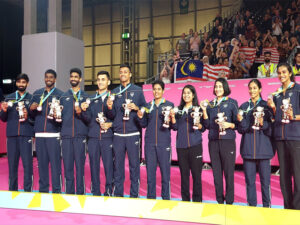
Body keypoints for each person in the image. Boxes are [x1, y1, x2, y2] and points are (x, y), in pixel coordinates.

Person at [106, 64, 146, 198]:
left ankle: (134, 195)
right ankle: (118, 194)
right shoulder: (114, 92)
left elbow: (144, 109)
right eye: (120, 72)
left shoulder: (138, 90)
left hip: (133, 134)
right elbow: (111, 115)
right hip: (117, 134)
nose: (123, 74)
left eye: (125, 72)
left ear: (130, 75)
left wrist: (137, 108)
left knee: (134, 167)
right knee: (118, 167)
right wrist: (110, 107)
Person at [267, 63, 300, 209]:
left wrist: (294, 116)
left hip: (295, 137)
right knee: (284, 176)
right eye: (279, 73)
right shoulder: (277, 93)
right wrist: (273, 109)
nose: (281, 75)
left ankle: (298, 208)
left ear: (290, 72)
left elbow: (294, 115)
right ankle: (288, 207)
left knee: (298, 175)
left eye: (284, 72)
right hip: (280, 137)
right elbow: (276, 117)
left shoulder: (298, 89)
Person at [237, 79, 274, 207]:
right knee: (250, 182)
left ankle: (266, 207)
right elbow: (241, 130)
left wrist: (263, 124)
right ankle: (252, 208)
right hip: (248, 150)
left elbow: (271, 129)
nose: (252, 91)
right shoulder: (243, 107)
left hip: (264, 150)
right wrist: (241, 120)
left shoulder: (266, 106)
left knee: (265, 183)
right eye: (250, 88)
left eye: (254, 88)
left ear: (260, 89)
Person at [137, 80, 175, 200]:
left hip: (164, 144)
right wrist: (140, 117)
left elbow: (173, 126)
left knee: (165, 175)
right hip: (149, 144)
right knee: (150, 175)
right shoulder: (148, 106)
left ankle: (166, 199)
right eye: (154, 89)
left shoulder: (170, 105)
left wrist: (172, 117)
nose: (156, 91)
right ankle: (151, 199)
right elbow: (143, 124)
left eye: (159, 89)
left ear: (163, 91)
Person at [29, 69, 64, 193]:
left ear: (55, 79)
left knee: (55, 165)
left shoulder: (60, 94)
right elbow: (30, 115)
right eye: (46, 77)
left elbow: (63, 116)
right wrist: (31, 109)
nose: (48, 79)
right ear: (44, 78)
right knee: (42, 165)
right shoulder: (37, 93)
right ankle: (43, 190)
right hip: (39, 134)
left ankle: (56, 190)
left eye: (51, 77)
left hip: (53, 134)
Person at [205, 78, 238, 204]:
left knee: (229, 173)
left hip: (228, 142)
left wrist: (229, 124)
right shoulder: (210, 104)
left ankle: (229, 202)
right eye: (216, 86)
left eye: (220, 86)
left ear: (225, 87)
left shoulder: (232, 103)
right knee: (217, 175)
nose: (217, 89)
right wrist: (203, 110)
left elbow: (238, 125)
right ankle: (219, 200)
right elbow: (207, 124)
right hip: (213, 142)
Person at [173, 85, 208, 202]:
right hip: (181, 147)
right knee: (184, 176)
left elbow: (204, 127)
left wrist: (199, 125)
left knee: (197, 176)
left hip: (195, 146)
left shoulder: (198, 109)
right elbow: (175, 126)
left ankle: (197, 202)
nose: (186, 95)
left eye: (189, 93)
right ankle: (185, 201)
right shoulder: (178, 110)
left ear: (193, 95)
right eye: (184, 93)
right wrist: (172, 117)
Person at [81, 71, 114, 196]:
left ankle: (109, 191)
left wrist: (110, 123)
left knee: (109, 166)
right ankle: (95, 191)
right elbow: (88, 119)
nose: (100, 82)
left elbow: (115, 117)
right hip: (93, 137)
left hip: (108, 137)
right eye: (98, 79)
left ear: (108, 82)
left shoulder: (113, 98)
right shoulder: (91, 99)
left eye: (103, 79)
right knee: (94, 166)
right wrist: (83, 111)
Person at [0, 73, 33, 192]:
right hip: (12, 136)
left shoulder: (31, 98)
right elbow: (3, 118)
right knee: (12, 165)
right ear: (16, 83)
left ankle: (27, 190)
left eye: (23, 82)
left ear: (27, 84)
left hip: (26, 135)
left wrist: (27, 115)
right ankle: (12, 190)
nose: (21, 84)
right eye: (19, 82)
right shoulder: (8, 98)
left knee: (27, 165)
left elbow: (34, 119)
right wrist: (3, 110)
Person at [59, 68, 90, 195]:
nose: (73, 78)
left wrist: (81, 113)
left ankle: (80, 194)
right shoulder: (63, 96)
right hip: (66, 137)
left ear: (80, 79)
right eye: (71, 76)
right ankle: (69, 194)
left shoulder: (86, 97)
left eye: (76, 76)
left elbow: (89, 118)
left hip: (80, 136)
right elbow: (59, 118)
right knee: (68, 168)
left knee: (80, 168)